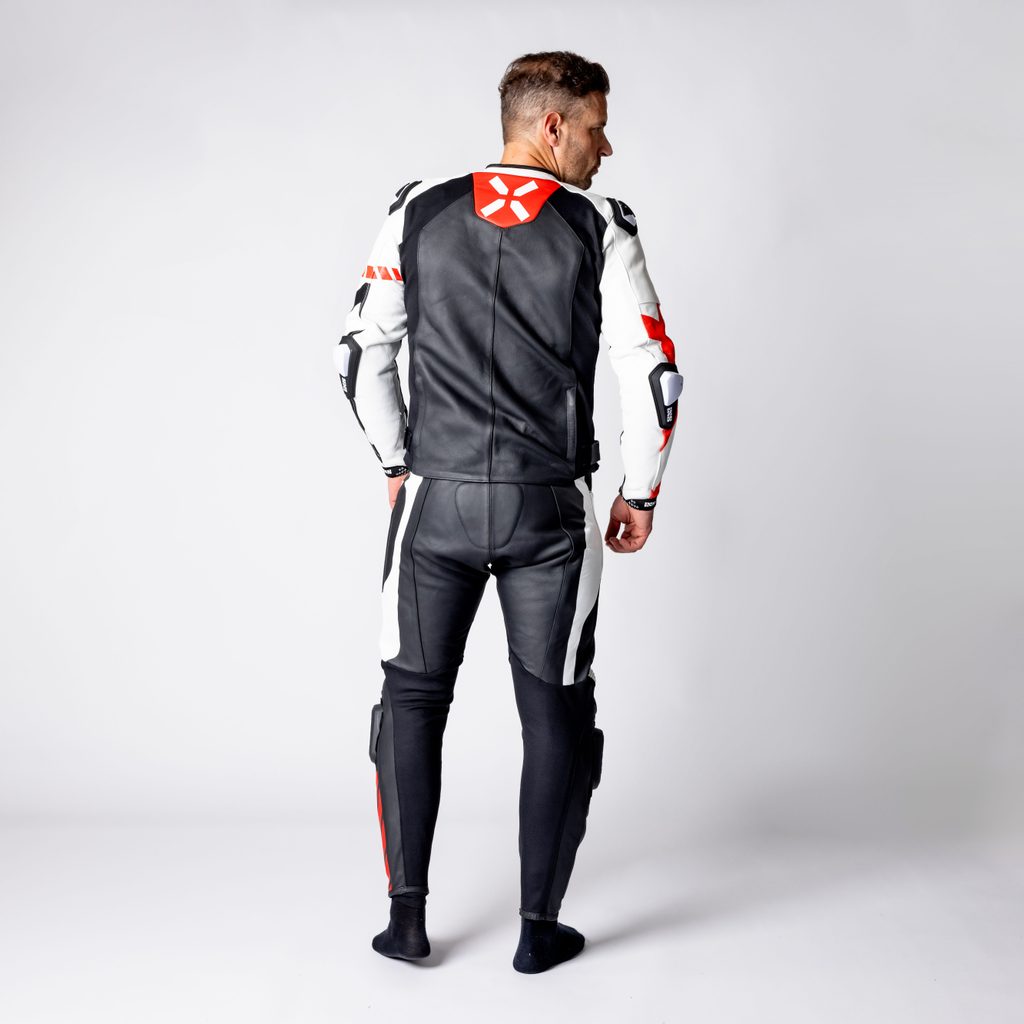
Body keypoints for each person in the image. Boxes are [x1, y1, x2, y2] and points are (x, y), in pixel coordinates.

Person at [334, 50, 682, 973]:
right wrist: (639, 490)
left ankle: (407, 922)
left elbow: (359, 354)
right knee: (556, 711)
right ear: (553, 126)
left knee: (411, 699)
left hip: (435, 504)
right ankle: (537, 930)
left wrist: (399, 462)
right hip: (549, 512)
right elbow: (652, 372)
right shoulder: (598, 224)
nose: (607, 147)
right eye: (597, 127)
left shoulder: (417, 209)